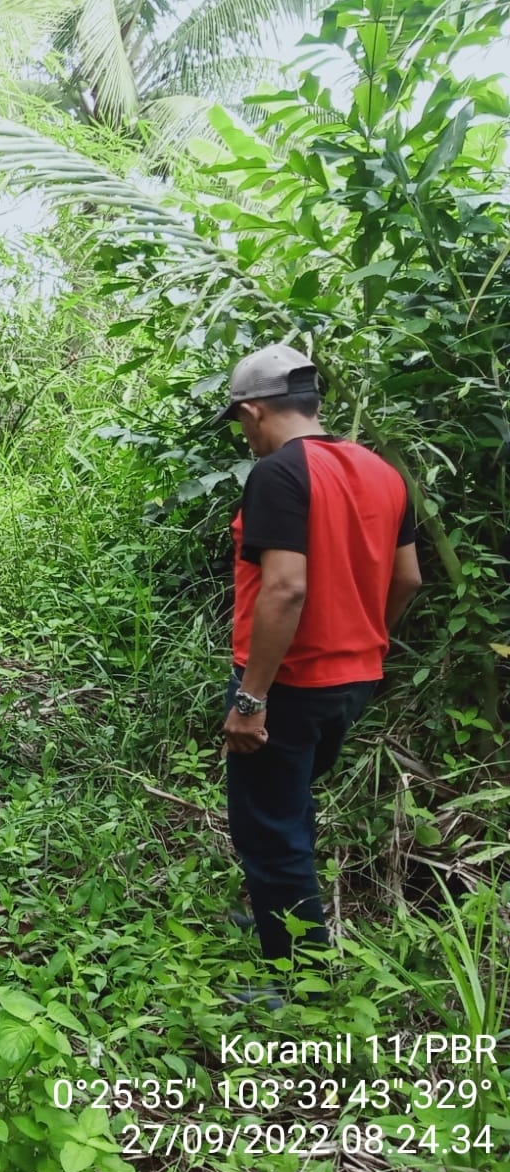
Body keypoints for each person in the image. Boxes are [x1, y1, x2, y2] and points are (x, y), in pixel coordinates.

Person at [216, 343, 422, 990]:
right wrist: (368, 642)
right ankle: (285, 921)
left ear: (254, 411)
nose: (245, 437)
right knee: (290, 806)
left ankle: (298, 983)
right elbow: (409, 578)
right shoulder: (383, 472)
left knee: (271, 830)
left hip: (289, 684)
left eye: (241, 424)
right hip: (354, 681)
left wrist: (251, 699)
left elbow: (285, 589)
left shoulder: (279, 474)